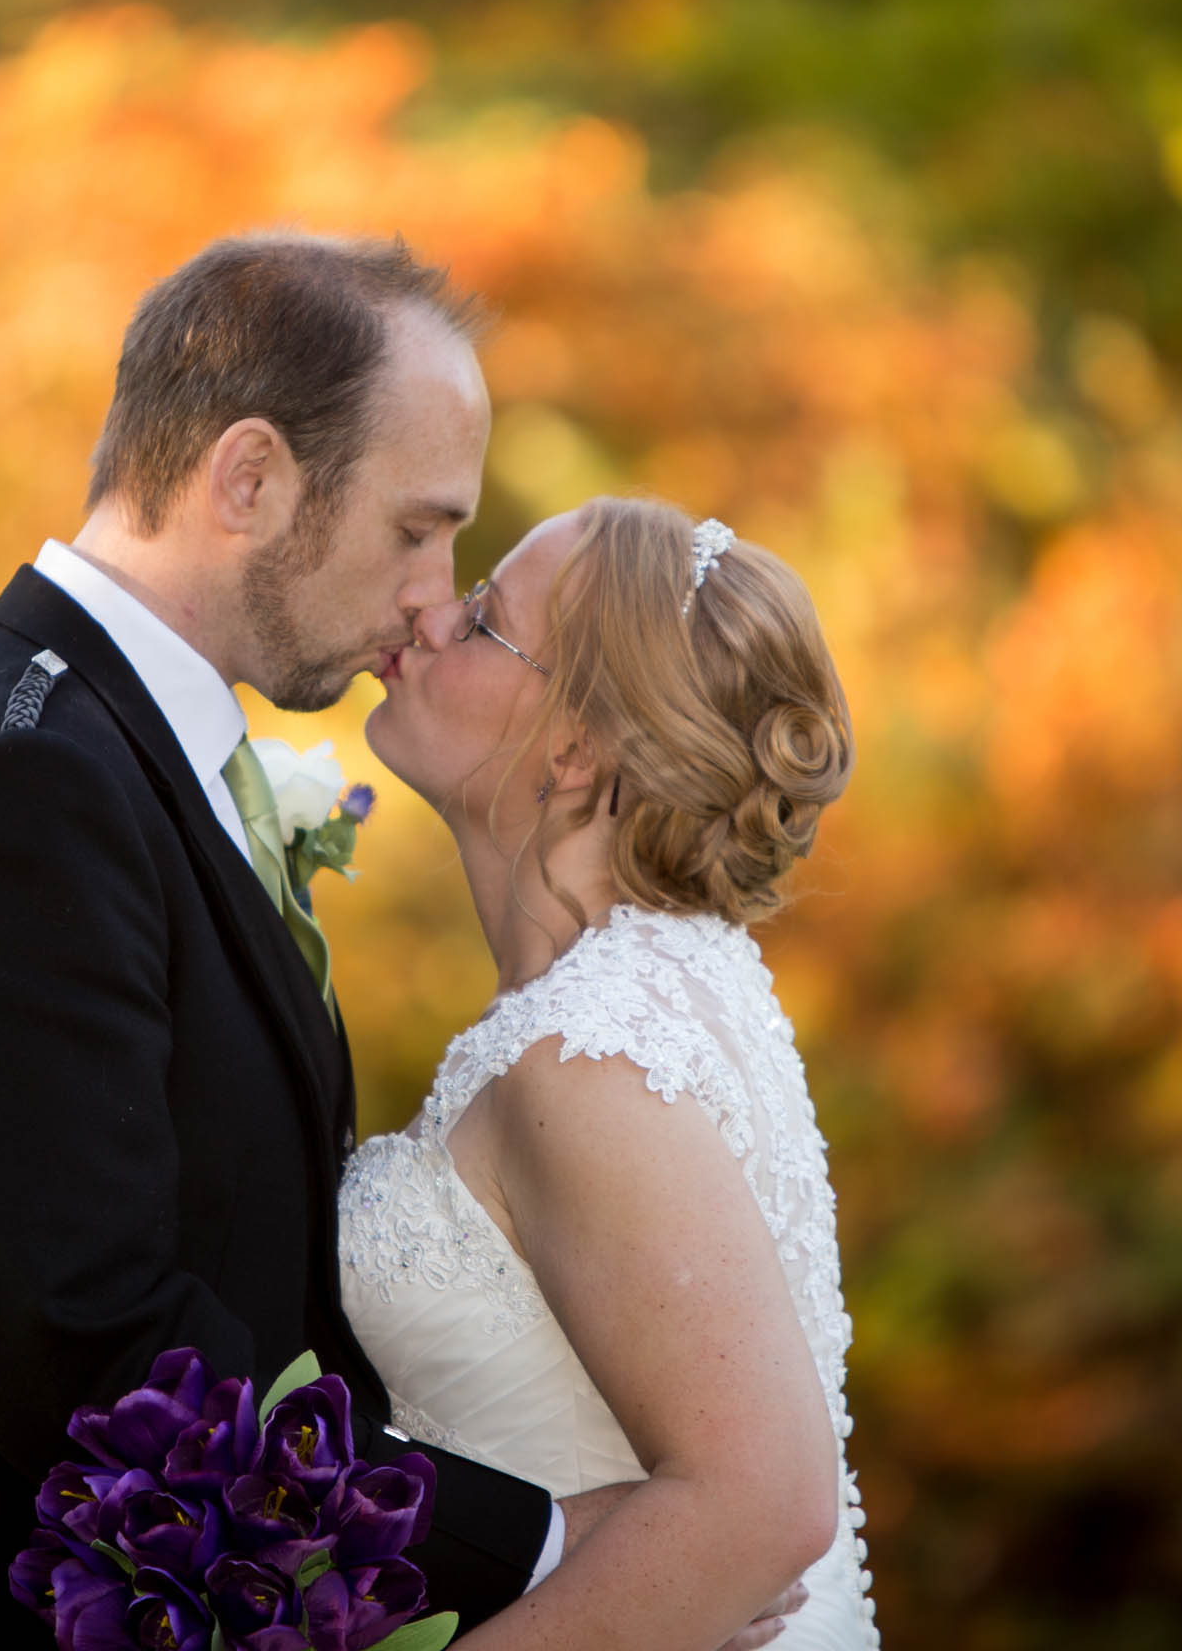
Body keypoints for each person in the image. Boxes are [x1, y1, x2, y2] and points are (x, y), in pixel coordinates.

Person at [0, 233, 803, 1648]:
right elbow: (95, 1355)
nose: (434, 592)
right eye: (417, 527)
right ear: (248, 482)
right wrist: (543, 1534)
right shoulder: (23, 789)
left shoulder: (126, 763)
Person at [345, 496, 879, 1649]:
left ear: (580, 746)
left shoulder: (588, 1054)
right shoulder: (650, 988)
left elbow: (761, 1504)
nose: (435, 616)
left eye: (486, 616)